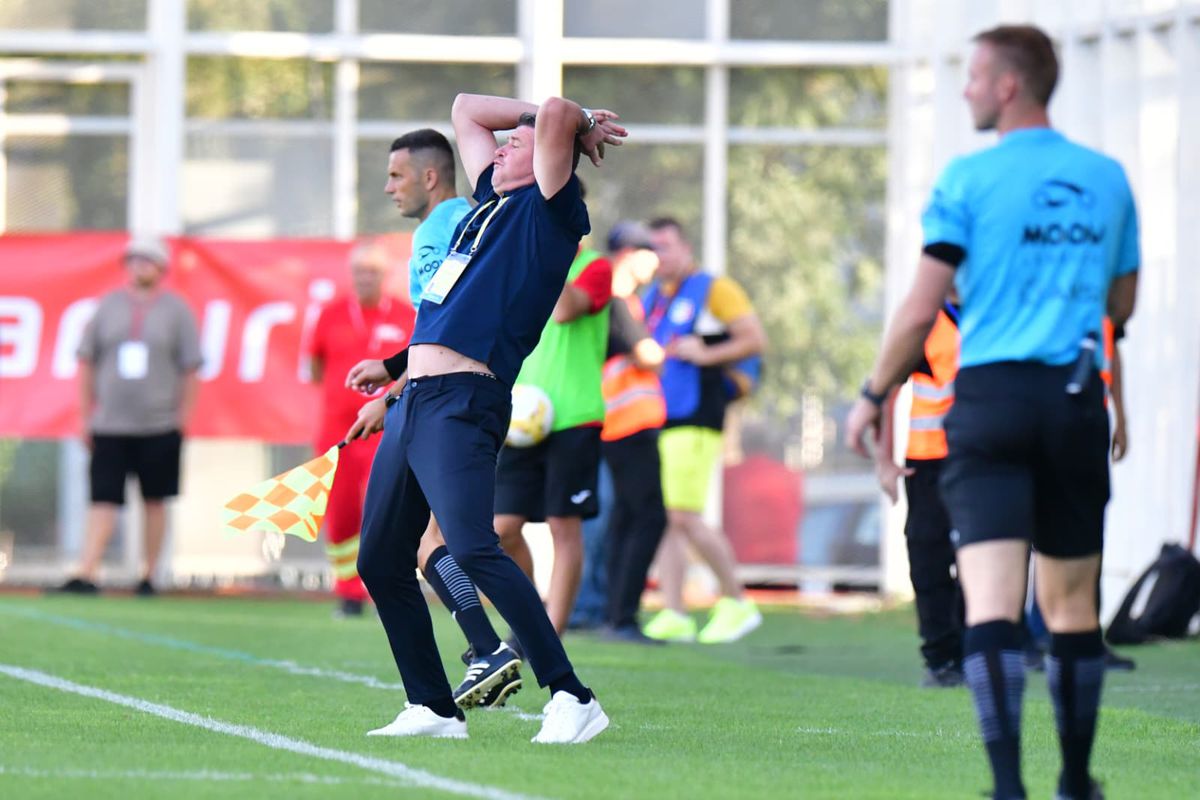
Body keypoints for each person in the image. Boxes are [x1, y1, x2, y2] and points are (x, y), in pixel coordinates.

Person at [846, 25, 1139, 800]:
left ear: (1009, 86)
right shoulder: (1106, 177)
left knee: (991, 603)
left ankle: (1008, 787)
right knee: (1071, 607)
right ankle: (1075, 781)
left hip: (991, 403)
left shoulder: (968, 178)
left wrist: (872, 396)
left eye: (975, 77)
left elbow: (920, 308)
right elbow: (1122, 303)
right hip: (1074, 401)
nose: (967, 89)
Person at [343, 93, 626, 743]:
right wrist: (393, 379)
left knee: (472, 546)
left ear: (550, 159)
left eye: (515, 144)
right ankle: (433, 707)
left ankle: (573, 696)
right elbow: (466, 109)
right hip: (418, 400)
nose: (498, 148)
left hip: (466, 400)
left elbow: (555, 111)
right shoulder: (491, 201)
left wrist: (578, 126)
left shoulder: (549, 208)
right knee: (380, 558)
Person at [347, 129, 522, 709]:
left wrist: (392, 390)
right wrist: (393, 379)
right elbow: (438, 331)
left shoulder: (442, 228)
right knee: (430, 544)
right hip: (448, 396)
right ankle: (486, 649)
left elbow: (448, 331)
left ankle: (511, 654)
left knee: (443, 544)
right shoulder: (452, 223)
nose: (388, 187)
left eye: (396, 175)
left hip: (453, 401)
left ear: (429, 176)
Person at [640, 217, 768, 644]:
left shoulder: (715, 289)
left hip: (697, 416)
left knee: (683, 516)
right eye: (652, 248)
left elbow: (754, 340)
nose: (658, 255)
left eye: (665, 246)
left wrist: (706, 353)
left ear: (686, 249)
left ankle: (737, 601)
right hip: (661, 415)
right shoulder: (653, 296)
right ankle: (674, 611)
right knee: (667, 518)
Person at [56, 236, 201, 596]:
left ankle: (149, 575)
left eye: (147, 260)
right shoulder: (108, 306)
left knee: (155, 500)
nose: (139, 266)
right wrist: (84, 415)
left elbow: (190, 368)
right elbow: (87, 361)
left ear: (161, 267)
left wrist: (182, 418)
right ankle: (87, 572)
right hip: (110, 424)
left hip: (159, 425)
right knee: (102, 498)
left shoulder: (177, 310)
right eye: (134, 259)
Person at [493, 236, 612, 636]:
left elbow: (563, 310)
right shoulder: (520, 270)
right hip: (521, 421)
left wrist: (548, 253)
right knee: (501, 530)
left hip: (574, 417)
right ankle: (533, 622)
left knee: (564, 526)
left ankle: (551, 636)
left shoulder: (595, 267)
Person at [304, 240, 415, 618]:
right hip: (339, 430)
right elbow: (315, 367)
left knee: (389, 507)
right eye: (360, 271)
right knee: (341, 510)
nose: (365, 278)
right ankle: (349, 592)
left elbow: (415, 364)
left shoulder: (405, 315)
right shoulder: (330, 314)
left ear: (385, 275)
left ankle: (389, 585)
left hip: (390, 425)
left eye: (373, 271)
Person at [874, 299, 965, 688]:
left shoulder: (995, 308)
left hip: (984, 458)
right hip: (927, 461)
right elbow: (887, 388)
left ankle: (978, 651)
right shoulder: (925, 321)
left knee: (983, 557)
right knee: (927, 554)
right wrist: (885, 460)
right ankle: (941, 658)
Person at [590, 221, 670, 642]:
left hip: (623, 426)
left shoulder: (622, 302)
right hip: (627, 425)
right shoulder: (617, 302)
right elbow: (648, 354)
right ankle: (622, 617)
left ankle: (615, 615)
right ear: (628, 254)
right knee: (648, 516)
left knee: (625, 518)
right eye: (648, 252)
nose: (655, 262)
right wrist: (663, 352)